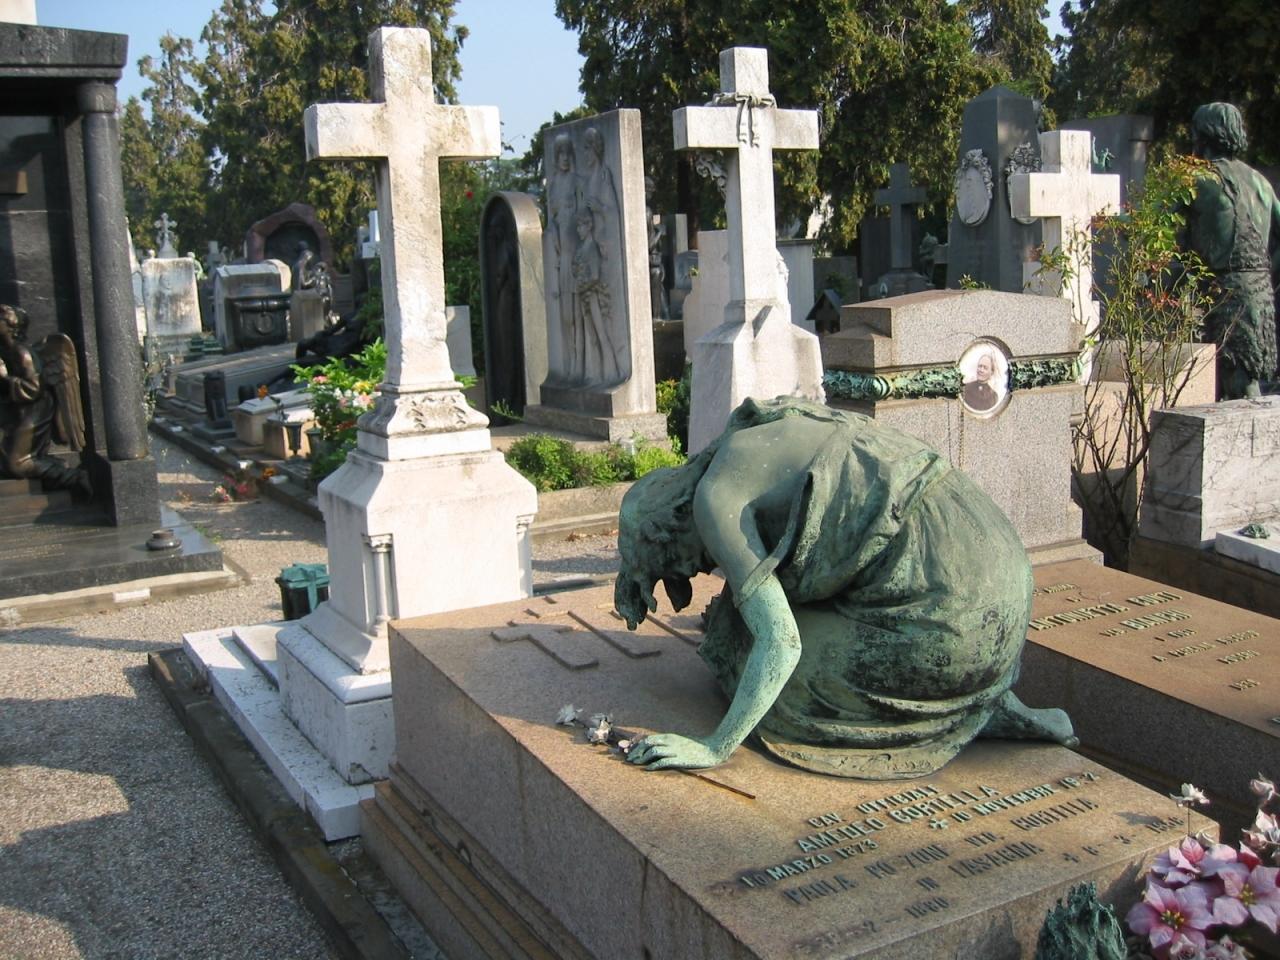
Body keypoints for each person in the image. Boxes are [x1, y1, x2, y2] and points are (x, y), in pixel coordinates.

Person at [615, 397, 1074, 779]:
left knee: (740, 647)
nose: (701, 568)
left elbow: (782, 644)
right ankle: (983, 698)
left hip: (948, 619)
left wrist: (715, 747)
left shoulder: (714, 501)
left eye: (683, 564)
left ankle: (951, 711)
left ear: (668, 529)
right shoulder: (754, 431)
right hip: (1000, 579)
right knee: (740, 617)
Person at [1185, 102, 1280, 399]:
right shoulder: (1261, 183)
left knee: (1241, 387)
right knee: (1239, 381)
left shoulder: (1198, 179)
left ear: (1204, 136)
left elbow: (1162, 228)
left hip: (1227, 295)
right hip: (1261, 296)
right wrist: (1265, 276)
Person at [0, 304, 89, 494]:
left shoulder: (21, 353)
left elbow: (34, 388)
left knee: (17, 463)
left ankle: (73, 477)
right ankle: (49, 466)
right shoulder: (6, 350)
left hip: (35, 410)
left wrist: (5, 379)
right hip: (18, 410)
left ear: (11, 326)